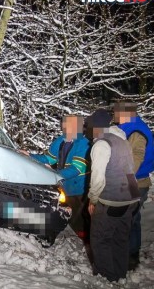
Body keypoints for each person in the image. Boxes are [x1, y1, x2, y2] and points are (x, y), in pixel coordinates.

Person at [86, 109, 140, 282]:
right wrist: (134, 198)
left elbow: (98, 177)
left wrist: (93, 199)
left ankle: (106, 279)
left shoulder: (101, 144)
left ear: (96, 127)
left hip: (111, 201)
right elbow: (130, 171)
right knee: (120, 239)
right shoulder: (122, 141)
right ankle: (120, 275)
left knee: (100, 240)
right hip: (130, 198)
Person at [24, 115, 91, 240]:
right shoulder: (60, 140)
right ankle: (83, 237)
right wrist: (29, 155)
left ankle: (88, 240)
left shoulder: (84, 144)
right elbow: (49, 158)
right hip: (65, 185)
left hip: (80, 188)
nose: (65, 127)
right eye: (64, 124)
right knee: (71, 216)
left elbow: (76, 169)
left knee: (81, 217)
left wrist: (55, 175)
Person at [113, 101, 154, 270]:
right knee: (129, 219)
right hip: (133, 180)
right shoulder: (128, 127)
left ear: (125, 113)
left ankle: (130, 258)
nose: (113, 114)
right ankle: (128, 255)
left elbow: (134, 161)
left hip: (134, 181)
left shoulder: (137, 132)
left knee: (129, 220)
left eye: (115, 111)